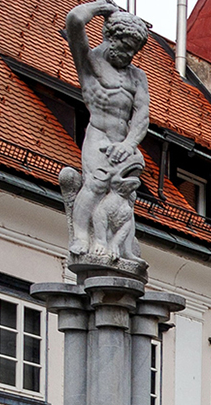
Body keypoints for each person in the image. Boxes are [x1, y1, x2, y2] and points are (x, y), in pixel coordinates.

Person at [62, 2, 150, 263]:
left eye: (133, 50)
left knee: (127, 195)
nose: (128, 54)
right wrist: (104, 8)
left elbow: (142, 115)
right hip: (99, 135)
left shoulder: (137, 76)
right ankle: (81, 236)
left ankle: (122, 246)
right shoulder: (88, 61)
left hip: (124, 142)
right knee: (95, 184)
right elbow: (75, 19)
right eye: (124, 46)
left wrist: (129, 144)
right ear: (110, 36)